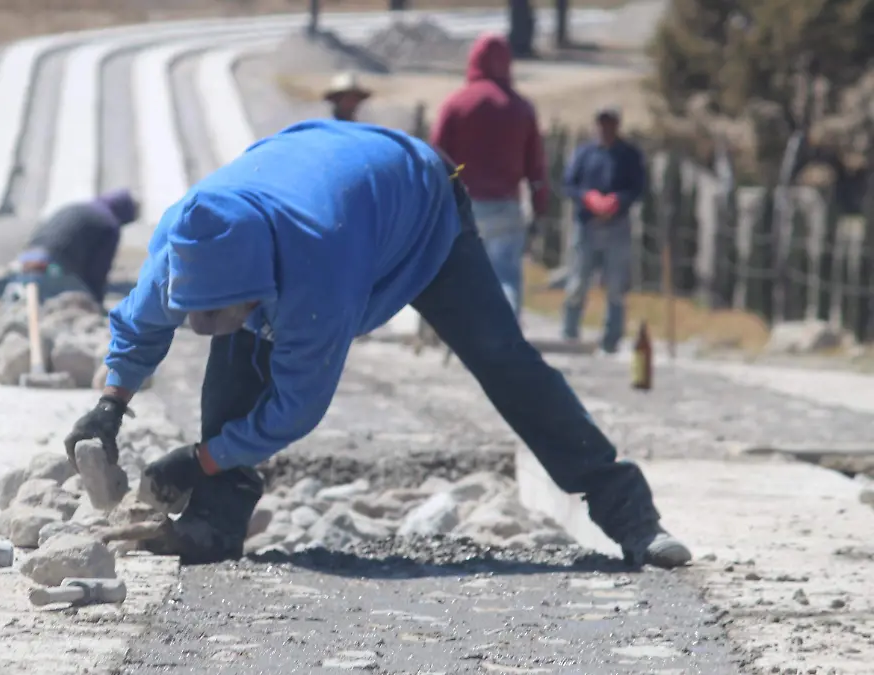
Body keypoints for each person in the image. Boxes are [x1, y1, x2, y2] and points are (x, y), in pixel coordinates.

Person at [62, 119, 690, 570]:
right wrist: (110, 404)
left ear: (258, 284)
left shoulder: (317, 276)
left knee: (503, 360)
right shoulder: (186, 242)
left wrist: (197, 460)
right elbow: (141, 325)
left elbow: (296, 407)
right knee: (237, 355)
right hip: (316, 175)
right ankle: (215, 526)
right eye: (197, 313)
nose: (207, 324)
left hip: (419, 205)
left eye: (222, 311)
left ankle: (630, 515)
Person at [430, 33, 547, 318]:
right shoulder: (521, 108)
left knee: (459, 274)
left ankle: (459, 340)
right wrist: (540, 209)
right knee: (505, 275)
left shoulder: (456, 105)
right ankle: (507, 343)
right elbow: (537, 169)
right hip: (506, 205)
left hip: (463, 206)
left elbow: (435, 157)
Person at [561, 106, 646, 353]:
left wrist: (617, 201)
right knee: (578, 280)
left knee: (617, 284)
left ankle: (612, 339)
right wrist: (588, 198)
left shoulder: (629, 155)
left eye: (610, 123)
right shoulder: (584, 153)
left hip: (617, 225)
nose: (605, 128)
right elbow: (568, 184)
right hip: (586, 225)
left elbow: (638, 187)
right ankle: (569, 333)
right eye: (601, 123)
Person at [15, 188, 139, 305]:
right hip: (53, 266)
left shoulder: (78, 208)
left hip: (26, 259)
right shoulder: (109, 224)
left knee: (29, 295)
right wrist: (96, 300)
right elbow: (97, 271)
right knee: (79, 301)